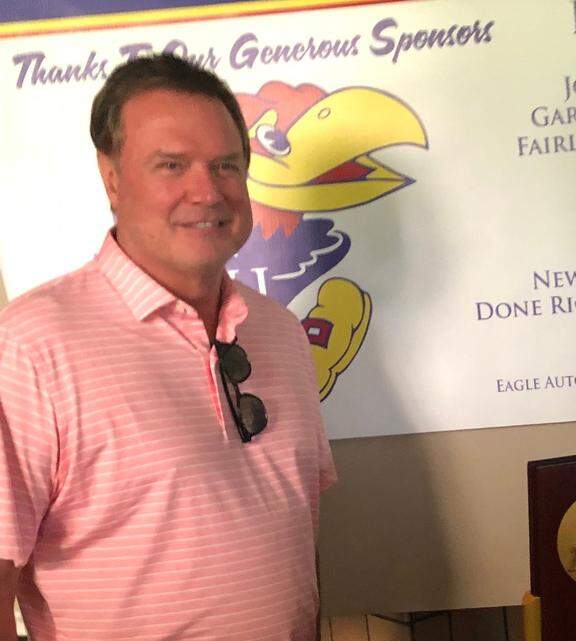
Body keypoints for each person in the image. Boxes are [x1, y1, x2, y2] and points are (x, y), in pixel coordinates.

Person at [0, 54, 337, 640]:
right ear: (111, 177)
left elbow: (295, 535)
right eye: (172, 165)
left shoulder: (281, 332)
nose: (206, 192)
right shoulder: (30, 347)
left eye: (226, 165)